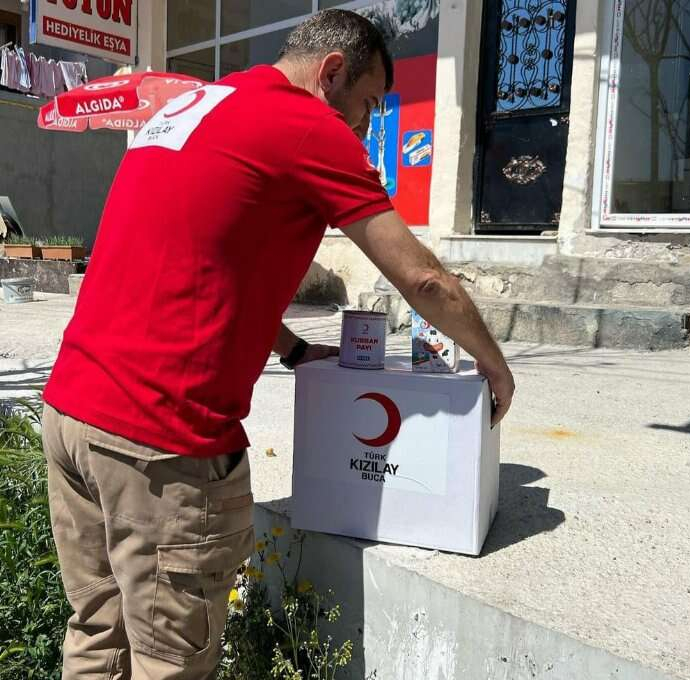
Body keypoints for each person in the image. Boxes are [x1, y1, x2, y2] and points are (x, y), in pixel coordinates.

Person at [41, 9, 515, 679]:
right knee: (169, 664)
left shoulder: (199, 105)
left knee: (97, 635)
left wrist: (291, 349)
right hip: (159, 444)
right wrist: (495, 364)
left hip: (70, 415)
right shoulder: (308, 127)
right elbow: (423, 279)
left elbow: (212, 259)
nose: (367, 124)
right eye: (368, 103)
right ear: (331, 73)